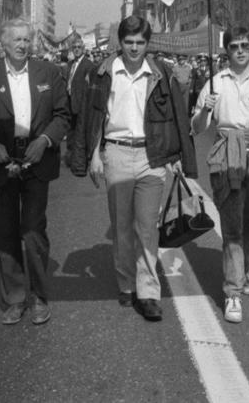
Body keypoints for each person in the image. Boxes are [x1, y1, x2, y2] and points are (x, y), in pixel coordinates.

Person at [77, 17, 195, 322]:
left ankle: (148, 292)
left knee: (147, 228)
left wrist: (177, 154)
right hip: (115, 153)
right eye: (129, 42)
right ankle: (126, 284)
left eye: (140, 42)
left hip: (150, 156)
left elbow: (174, 115)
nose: (134, 48)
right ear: (120, 42)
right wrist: (93, 155)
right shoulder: (104, 72)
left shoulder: (160, 72)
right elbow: (93, 117)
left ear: (147, 43)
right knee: (122, 227)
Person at [0, 19, 69, 326]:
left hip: (37, 160)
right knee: (5, 232)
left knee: (33, 230)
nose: (22, 45)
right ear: (2, 45)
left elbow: (63, 115)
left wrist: (46, 140)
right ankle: (15, 298)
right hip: (0, 161)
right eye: (16, 40)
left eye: (26, 40)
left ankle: (41, 297)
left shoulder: (49, 73)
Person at [192, 28, 249, 324]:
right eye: (235, 46)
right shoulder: (214, 82)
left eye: (245, 45)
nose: (241, 51)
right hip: (227, 159)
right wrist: (204, 111)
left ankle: (243, 271)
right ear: (226, 50)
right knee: (232, 225)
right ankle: (232, 291)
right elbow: (197, 128)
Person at [62, 34, 95, 176]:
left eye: (79, 47)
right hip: (70, 102)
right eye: (74, 47)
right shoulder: (70, 65)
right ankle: (71, 158)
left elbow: (90, 87)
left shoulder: (88, 65)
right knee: (71, 132)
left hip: (82, 104)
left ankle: (82, 160)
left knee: (81, 133)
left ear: (83, 49)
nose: (76, 49)